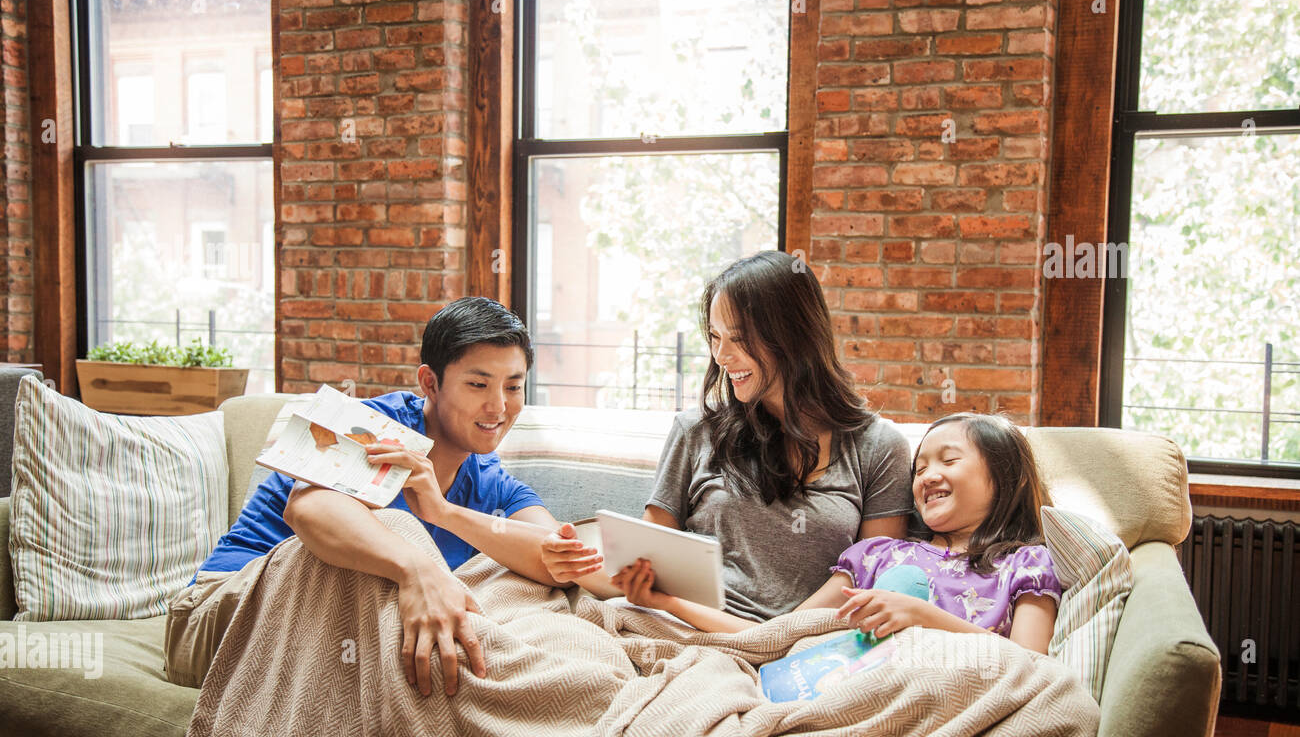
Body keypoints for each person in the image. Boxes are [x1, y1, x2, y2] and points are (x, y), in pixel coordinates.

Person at [163, 297, 575, 697]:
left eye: (514, 386)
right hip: (218, 617)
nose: (498, 406)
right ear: (430, 383)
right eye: (478, 384)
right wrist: (419, 570)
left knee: (515, 594)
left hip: (320, 634)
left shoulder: (491, 480)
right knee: (394, 533)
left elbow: (557, 557)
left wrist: (445, 512)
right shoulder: (370, 426)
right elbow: (308, 509)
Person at [540, 249, 915, 623]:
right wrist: (572, 564)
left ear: (794, 335)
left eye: (738, 338)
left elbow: (873, 574)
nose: (720, 356)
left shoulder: (878, 447)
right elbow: (643, 563)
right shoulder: (695, 430)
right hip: (680, 627)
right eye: (715, 337)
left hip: (800, 643)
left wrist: (772, 641)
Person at [617, 412, 1063, 655]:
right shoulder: (876, 556)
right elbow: (779, 637)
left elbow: (1031, 667)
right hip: (851, 691)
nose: (927, 475)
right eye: (920, 466)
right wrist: (662, 601)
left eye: (948, 460)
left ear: (1005, 477)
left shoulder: (1026, 564)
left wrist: (922, 616)